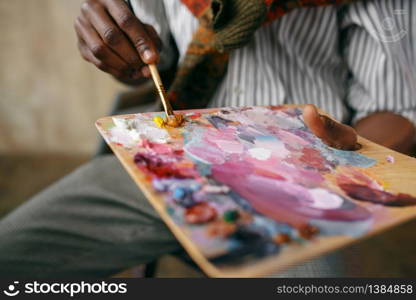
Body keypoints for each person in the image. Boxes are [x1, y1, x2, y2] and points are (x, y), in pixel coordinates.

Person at [0, 0, 415, 277]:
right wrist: (113, 47)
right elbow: (148, 55)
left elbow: (401, 108)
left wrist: (337, 155)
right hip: (168, 155)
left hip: (307, 179)